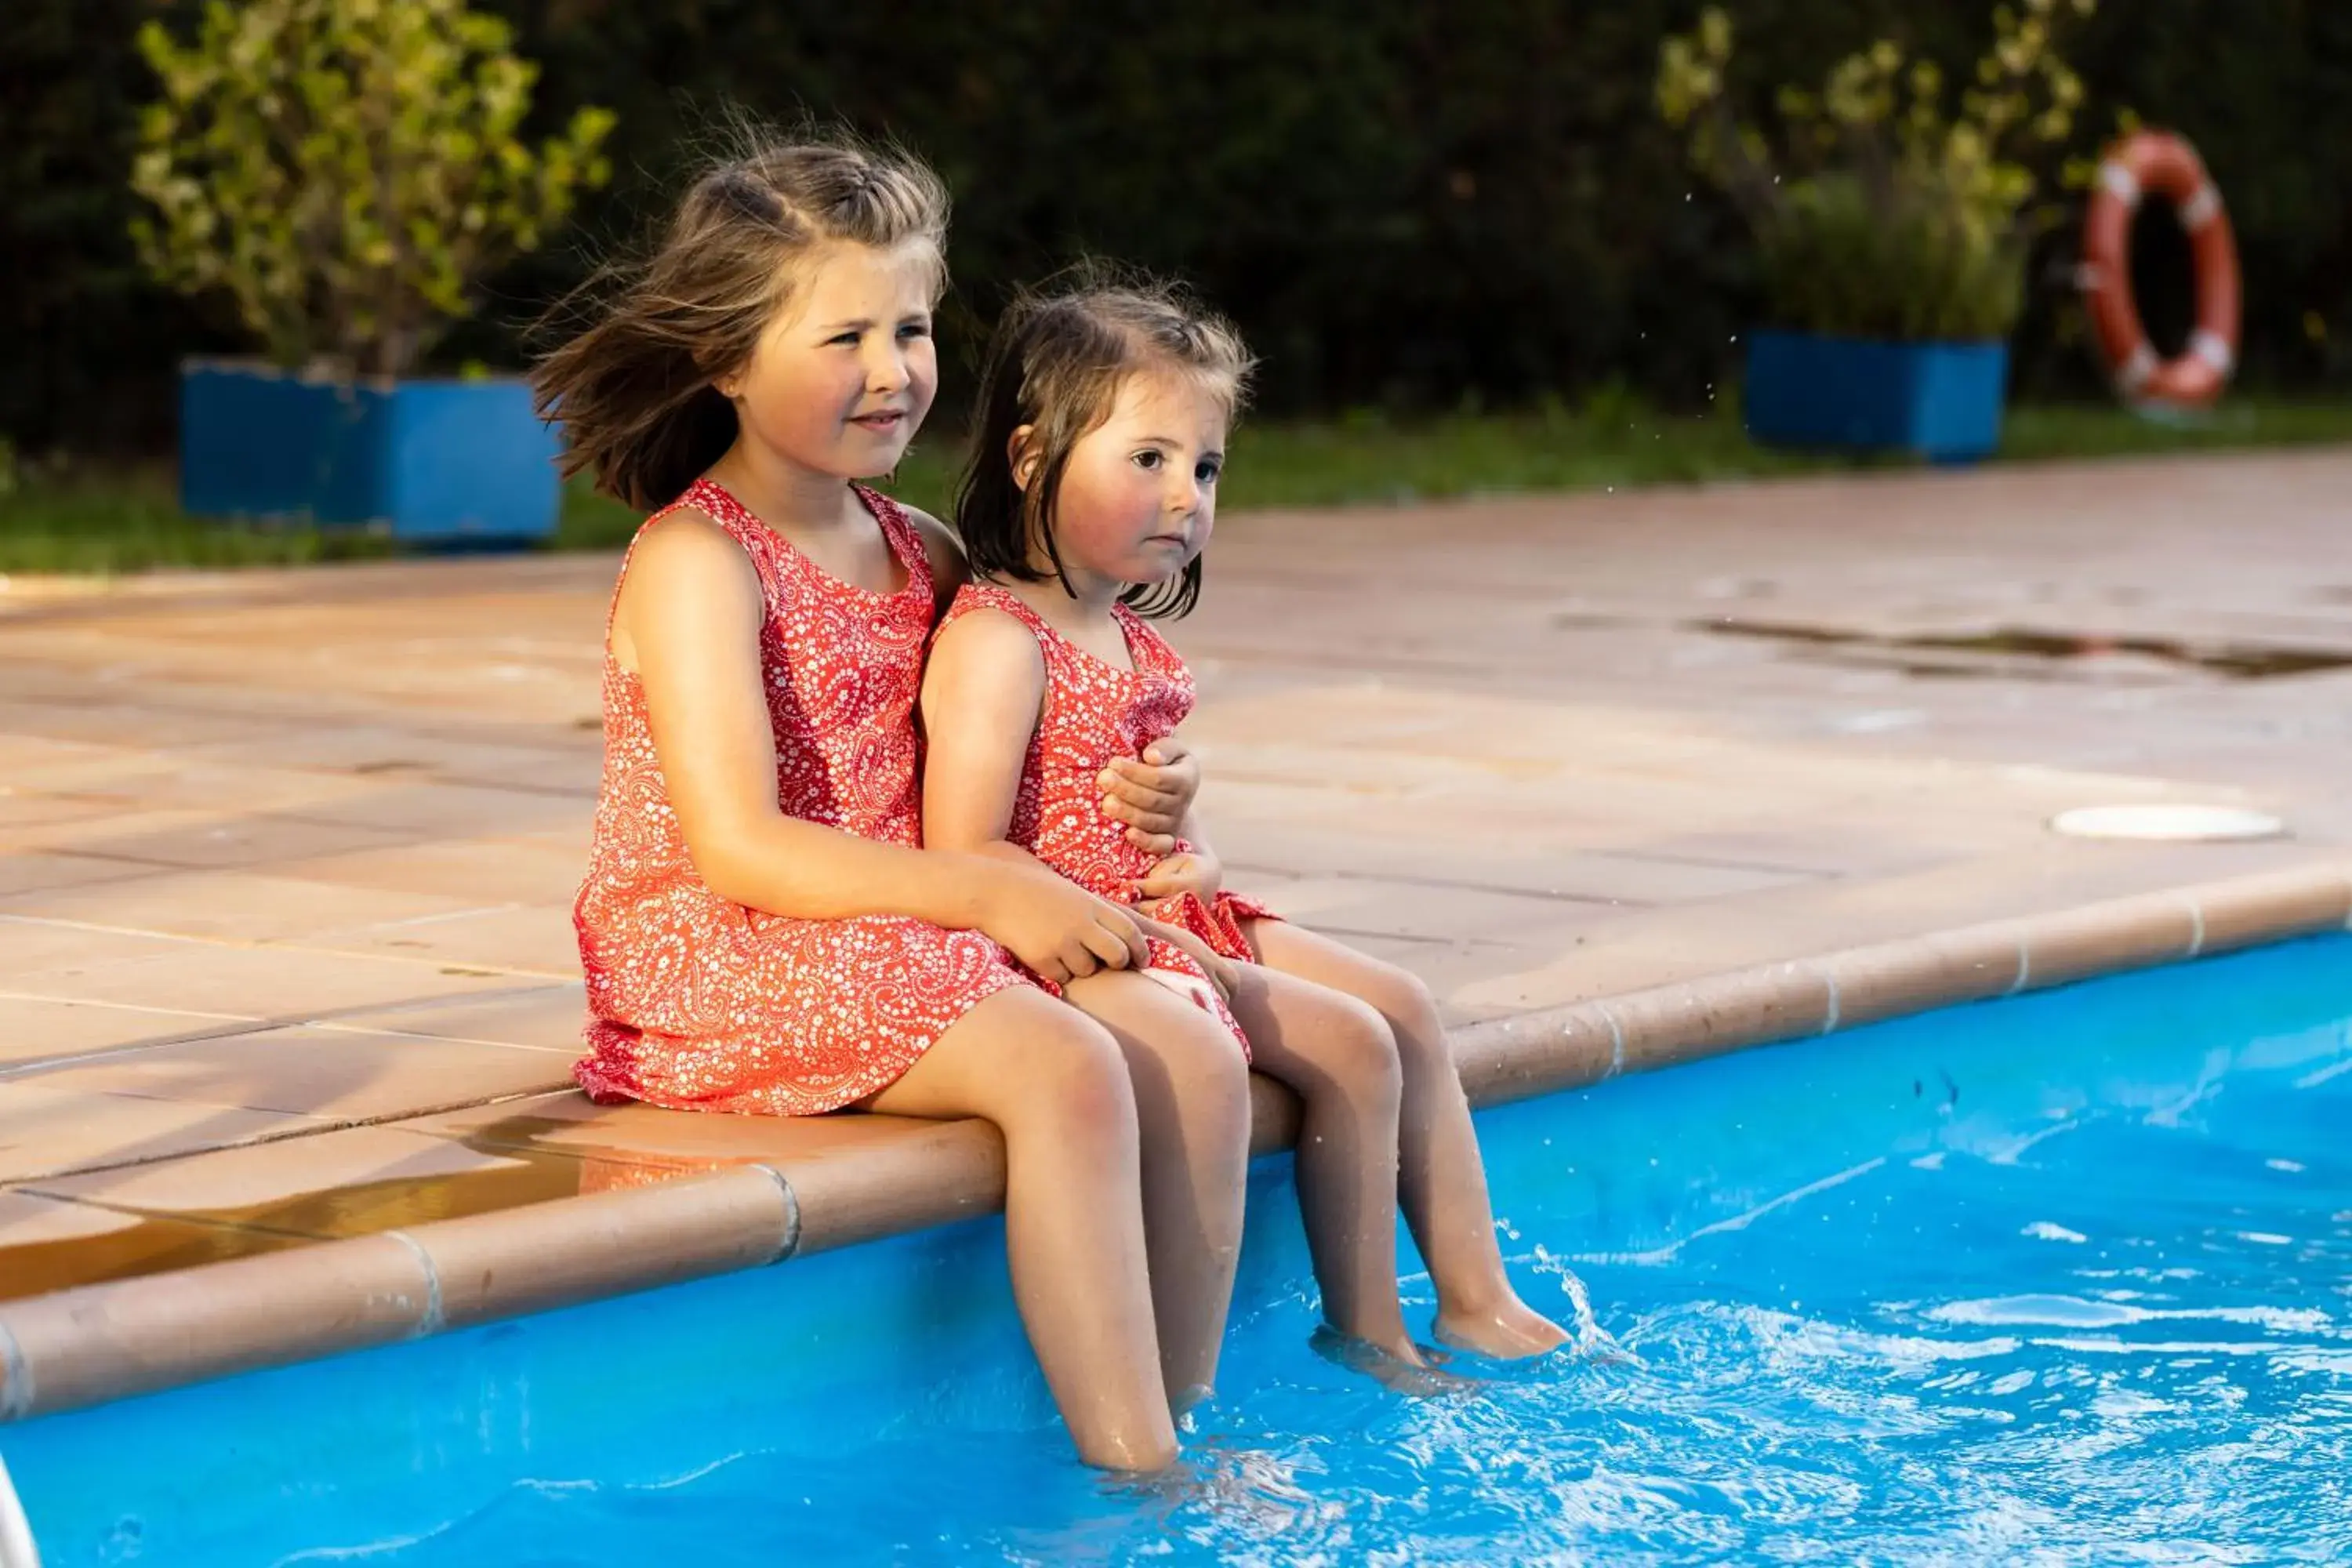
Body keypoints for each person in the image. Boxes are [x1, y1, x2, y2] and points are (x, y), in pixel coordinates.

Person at [531, 130, 1209, 1472]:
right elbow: (738, 848)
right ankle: (1139, 1468)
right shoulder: (696, 560)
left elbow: (1040, 719)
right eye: (844, 336)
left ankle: (1191, 1408)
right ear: (725, 357)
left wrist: (1151, 799)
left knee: (1192, 1020)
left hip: (902, 930)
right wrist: (996, 892)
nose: (895, 371)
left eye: (912, 325)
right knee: (1070, 1069)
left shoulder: (924, 548)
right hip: (721, 952)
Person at [920, 274, 1570, 1396]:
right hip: (1086, 943)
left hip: (1177, 909)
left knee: (1400, 1007)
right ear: (1032, 458)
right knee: (1353, 1045)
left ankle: (1463, 1306)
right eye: (1150, 459)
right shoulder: (1000, 640)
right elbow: (964, 848)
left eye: (1206, 467)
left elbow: (1174, 820)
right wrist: (1129, 908)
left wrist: (1195, 843)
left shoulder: (1124, 632)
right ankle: (1338, 1348)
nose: (1187, 496)